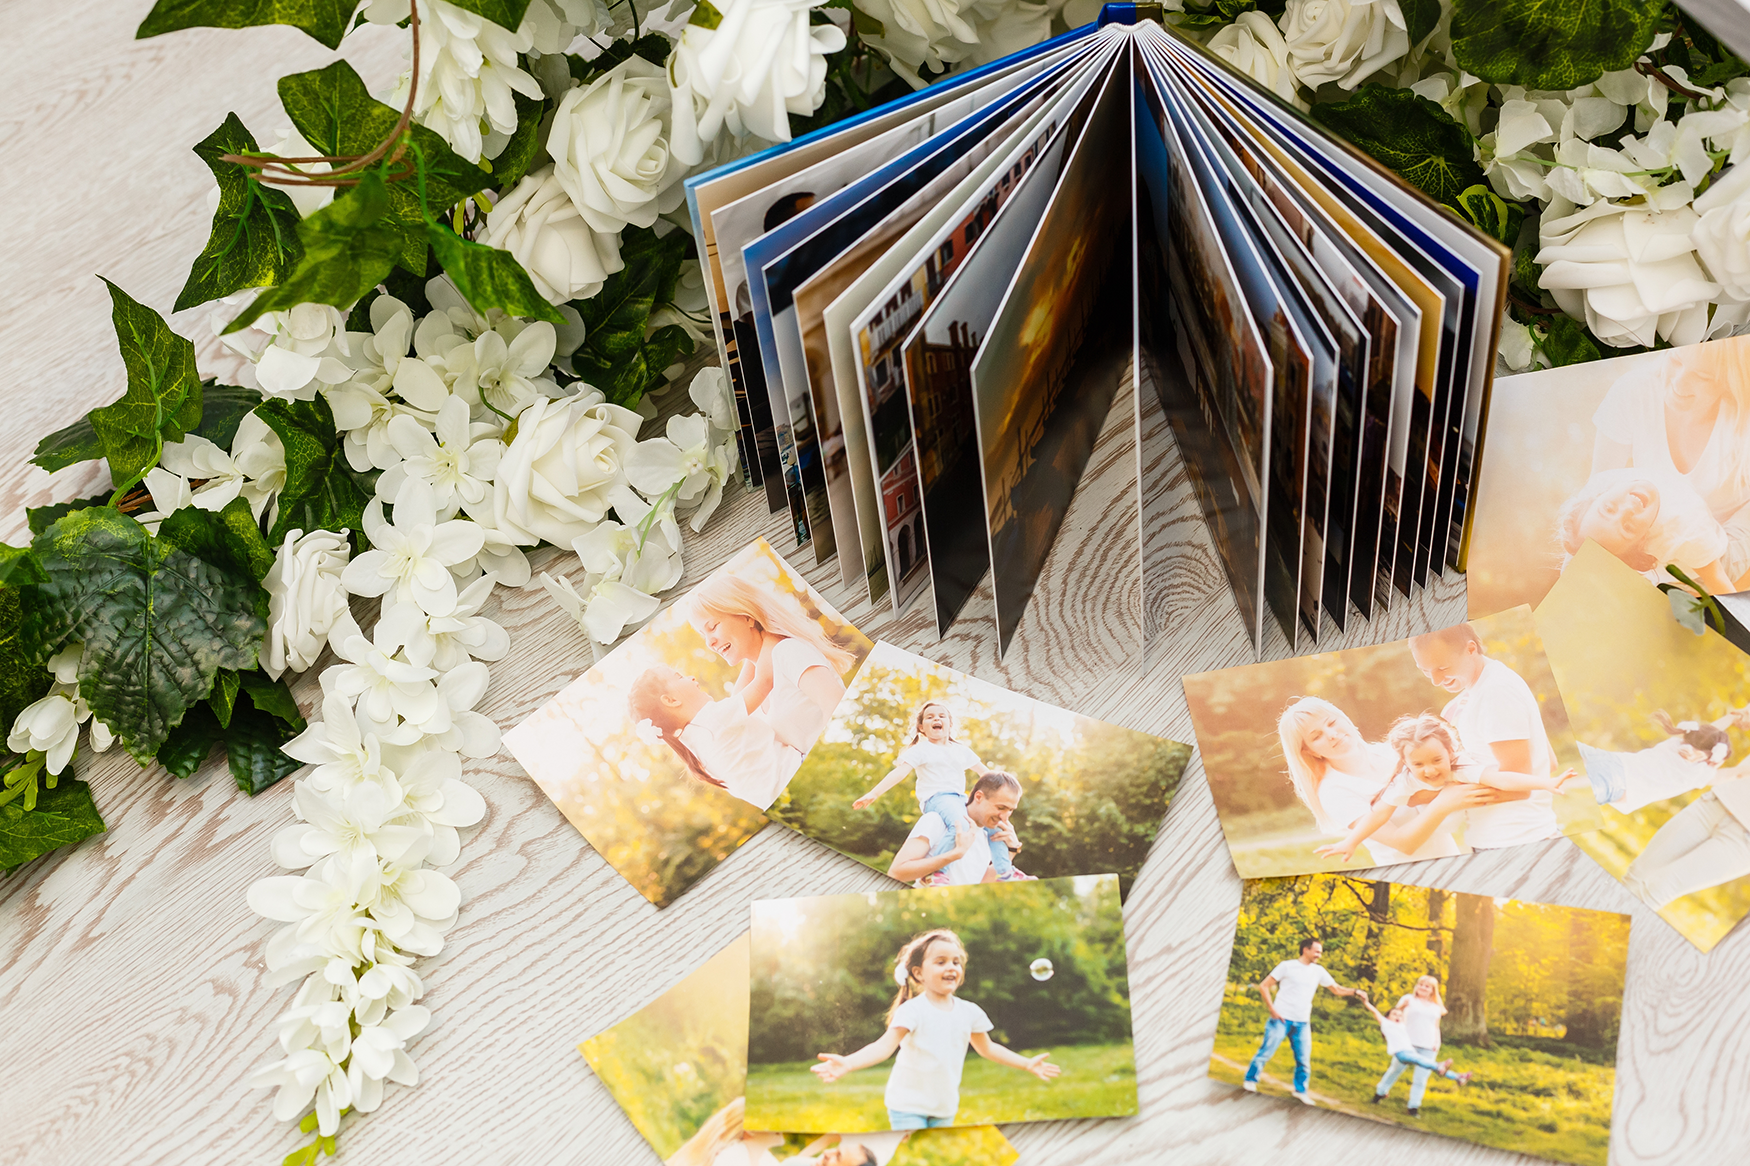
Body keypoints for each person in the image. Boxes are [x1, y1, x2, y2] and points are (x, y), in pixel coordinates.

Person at [811, 929, 1060, 1129]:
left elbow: (989, 1048)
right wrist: (848, 1062)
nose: (951, 967)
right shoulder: (913, 1010)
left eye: (956, 962)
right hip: (907, 1105)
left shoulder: (969, 1012)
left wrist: (1027, 1064)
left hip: (944, 1107)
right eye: (940, 962)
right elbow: (883, 1046)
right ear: (919, 973)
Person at [1316, 714, 1578, 864]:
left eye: (1436, 761)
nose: (1429, 770)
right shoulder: (1403, 778)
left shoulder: (1458, 766)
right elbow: (1379, 814)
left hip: (1455, 833)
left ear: (1449, 753)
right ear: (1404, 762)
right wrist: (1351, 841)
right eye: (1418, 764)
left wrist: (1546, 783)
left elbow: (1502, 779)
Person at [1277, 697, 1497, 865]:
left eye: (1332, 723)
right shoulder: (1334, 791)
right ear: (1309, 751)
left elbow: (1446, 777)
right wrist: (1443, 803)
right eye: (1317, 736)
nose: (1332, 734)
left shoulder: (1391, 752)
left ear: (1345, 718)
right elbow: (1404, 843)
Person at [1408, 624, 1563, 849]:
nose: (1435, 680)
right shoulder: (1482, 689)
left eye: (1443, 667)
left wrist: (1434, 797)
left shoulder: (1495, 692)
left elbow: (1519, 786)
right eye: (1425, 670)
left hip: (1516, 842)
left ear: (1471, 649)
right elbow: (1548, 762)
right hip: (1514, 838)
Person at [854, 701, 1027, 881]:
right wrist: (874, 793)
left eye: (941, 716)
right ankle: (939, 874)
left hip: (960, 799)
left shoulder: (961, 750)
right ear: (921, 727)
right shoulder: (921, 750)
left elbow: (986, 774)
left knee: (996, 829)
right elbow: (900, 772)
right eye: (930, 717)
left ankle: (1006, 872)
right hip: (937, 798)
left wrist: (1008, 791)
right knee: (960, 824)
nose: (936, 718)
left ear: (950, 724)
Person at [688, 573, 855, 755]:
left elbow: (836, 703)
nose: (709, 643)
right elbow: (732, 716)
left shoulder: (787, 652)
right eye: (703, 634)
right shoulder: (755, 684)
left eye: (712, 627)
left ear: (747, 616)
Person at [628, 666, 802, 809]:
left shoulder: (695, 742)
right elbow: (763, 681)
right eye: (680, 677)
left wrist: (749, 657)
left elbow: (740, 694)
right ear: (671, 700)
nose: (692, 677)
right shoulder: (711, 720)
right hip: (797, 776)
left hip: (784, 804)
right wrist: (767, 636)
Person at [1556, 467, 1740, 592]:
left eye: (1608, 509)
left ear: (1595, 498)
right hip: (1725, 560)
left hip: (1706, 525)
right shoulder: (1683, 532)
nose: (1627, 509)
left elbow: (1576, 549)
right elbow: (1717, 579)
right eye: (1628, 528)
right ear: (1643, 539)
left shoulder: (1600, 484)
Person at [1240, 937, 1364, 1104]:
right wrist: (1272, 1009)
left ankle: (1300, 1091)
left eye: (1320, 952)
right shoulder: (1287, 966)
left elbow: (1336, 989)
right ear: (1306, 949)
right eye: (1317, 951)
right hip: (1281, 1019)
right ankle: (1250, 1081)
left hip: (1302, 1022)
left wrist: (1356, 992)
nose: (1319, 955)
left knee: (1303, 1060)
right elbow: (1264, 986)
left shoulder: (1318, 971)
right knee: (1266, 1052)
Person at [1622, 763, 1750, 907]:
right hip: (1716, 803)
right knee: (1638, 873)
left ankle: (1602, 928)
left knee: (1658, 889)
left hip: (1742, 842)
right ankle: (1594, 923)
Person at [1578, 707, 1744, 814]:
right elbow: (1736, 774)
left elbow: (1709, 734)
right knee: (1566, 788)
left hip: (1613, 760)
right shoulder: (1699, 774)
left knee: (1562, 756)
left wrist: (1732, 717)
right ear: (1716, 758)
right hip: (1619, 785)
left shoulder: (1677, 743)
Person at [886, 773, 1026, 887]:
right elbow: (896, 873)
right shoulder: (937, 820)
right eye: (1001, 808)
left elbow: (980, 880)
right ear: (978, 797)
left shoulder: (989, 835)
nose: (1005, 817)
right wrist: (955, 854)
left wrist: (1012, 850)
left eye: (1010, 810)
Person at [1358, 991, 1471, 1115]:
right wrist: (1366, 1002)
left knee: (1428, 1064)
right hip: (1402, 1054)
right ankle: (1442, 1068)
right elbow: (1375, 1012)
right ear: (1387, 1017)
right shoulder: (1386, 1024)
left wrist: (1434, 1040)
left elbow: (1425, 1020)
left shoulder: (1402, 1025)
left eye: (1399, 1016)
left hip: (1411, 1052)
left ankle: (1457, 1077)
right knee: (1422, 1062)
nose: (1397, 1016)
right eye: (1394, 1015)